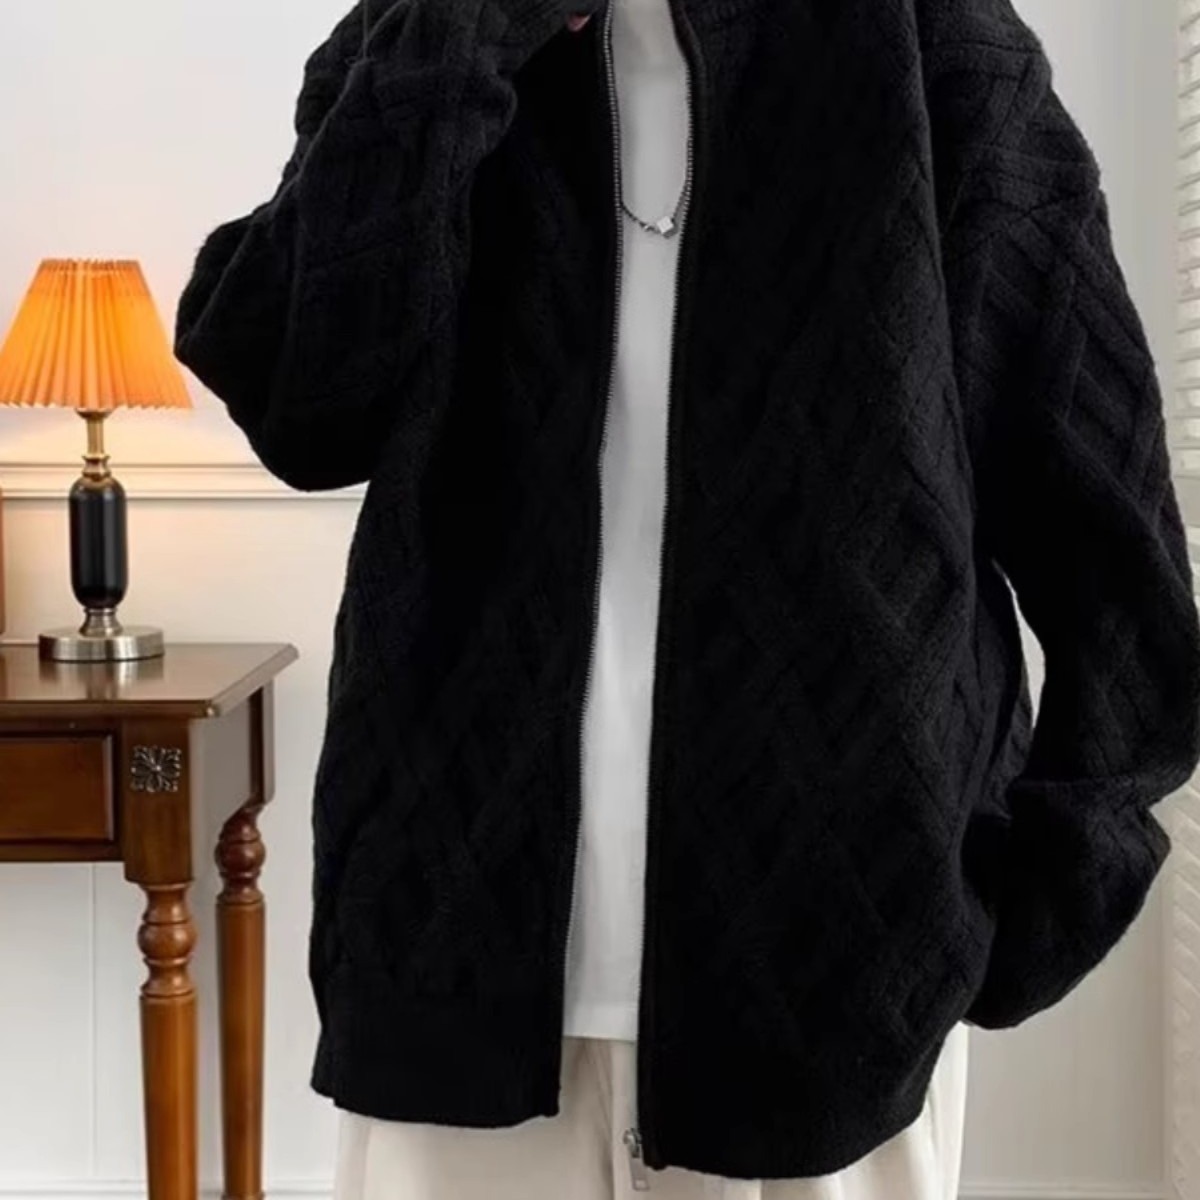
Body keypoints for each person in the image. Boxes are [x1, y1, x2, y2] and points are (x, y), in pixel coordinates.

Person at [173, 0, 1200, 1195]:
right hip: (448, 955)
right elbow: (304, 407)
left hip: (839, 977)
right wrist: (464, 33)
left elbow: (1109, 523)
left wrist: (1038, 896)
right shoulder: (418, 35)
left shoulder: (931, 44)